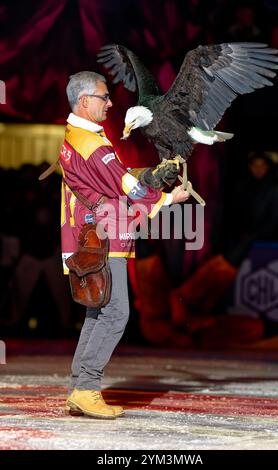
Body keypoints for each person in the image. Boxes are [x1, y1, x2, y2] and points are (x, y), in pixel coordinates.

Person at [60, 71, 190, 419]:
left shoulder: (74, 138)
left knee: (97, 311)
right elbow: (125, 185)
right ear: (85, 101)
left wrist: (144, 177)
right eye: (104, 97)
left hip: (88, 236)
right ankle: (87, 388)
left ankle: (78, 388)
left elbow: (115, 178)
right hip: (105, 238)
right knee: (116, 313)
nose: (110, 102)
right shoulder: (94, 145)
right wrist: (166, 199)